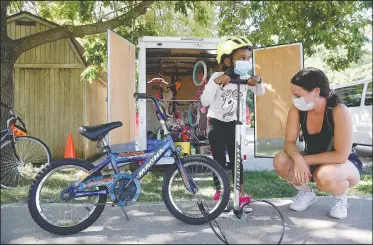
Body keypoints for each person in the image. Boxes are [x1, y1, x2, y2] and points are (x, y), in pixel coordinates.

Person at [273, 67, 363, 219]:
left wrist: (302, 160)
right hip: (314, 158)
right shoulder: (297, 109)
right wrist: (297, 158)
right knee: (280, 160)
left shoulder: (338, 111)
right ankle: (305, 193)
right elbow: (289, 142)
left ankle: (340, 198)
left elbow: (340, 156)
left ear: (315, 91)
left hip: (345, 163)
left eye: (297, 95)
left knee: (324, 176)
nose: (295, 100)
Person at [200, 36, 265, 211]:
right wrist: (216, 82)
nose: (245, 62)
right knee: (218, 160)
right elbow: (205, 101)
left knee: (237, 160)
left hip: (235, 125)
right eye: (241, 58)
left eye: (247, 58)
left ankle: (239, 191)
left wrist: (257, 80)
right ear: (228, 60)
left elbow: (260, 92)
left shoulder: (245, 78)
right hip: (216, 124)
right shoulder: (216, 76)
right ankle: (220, 191)